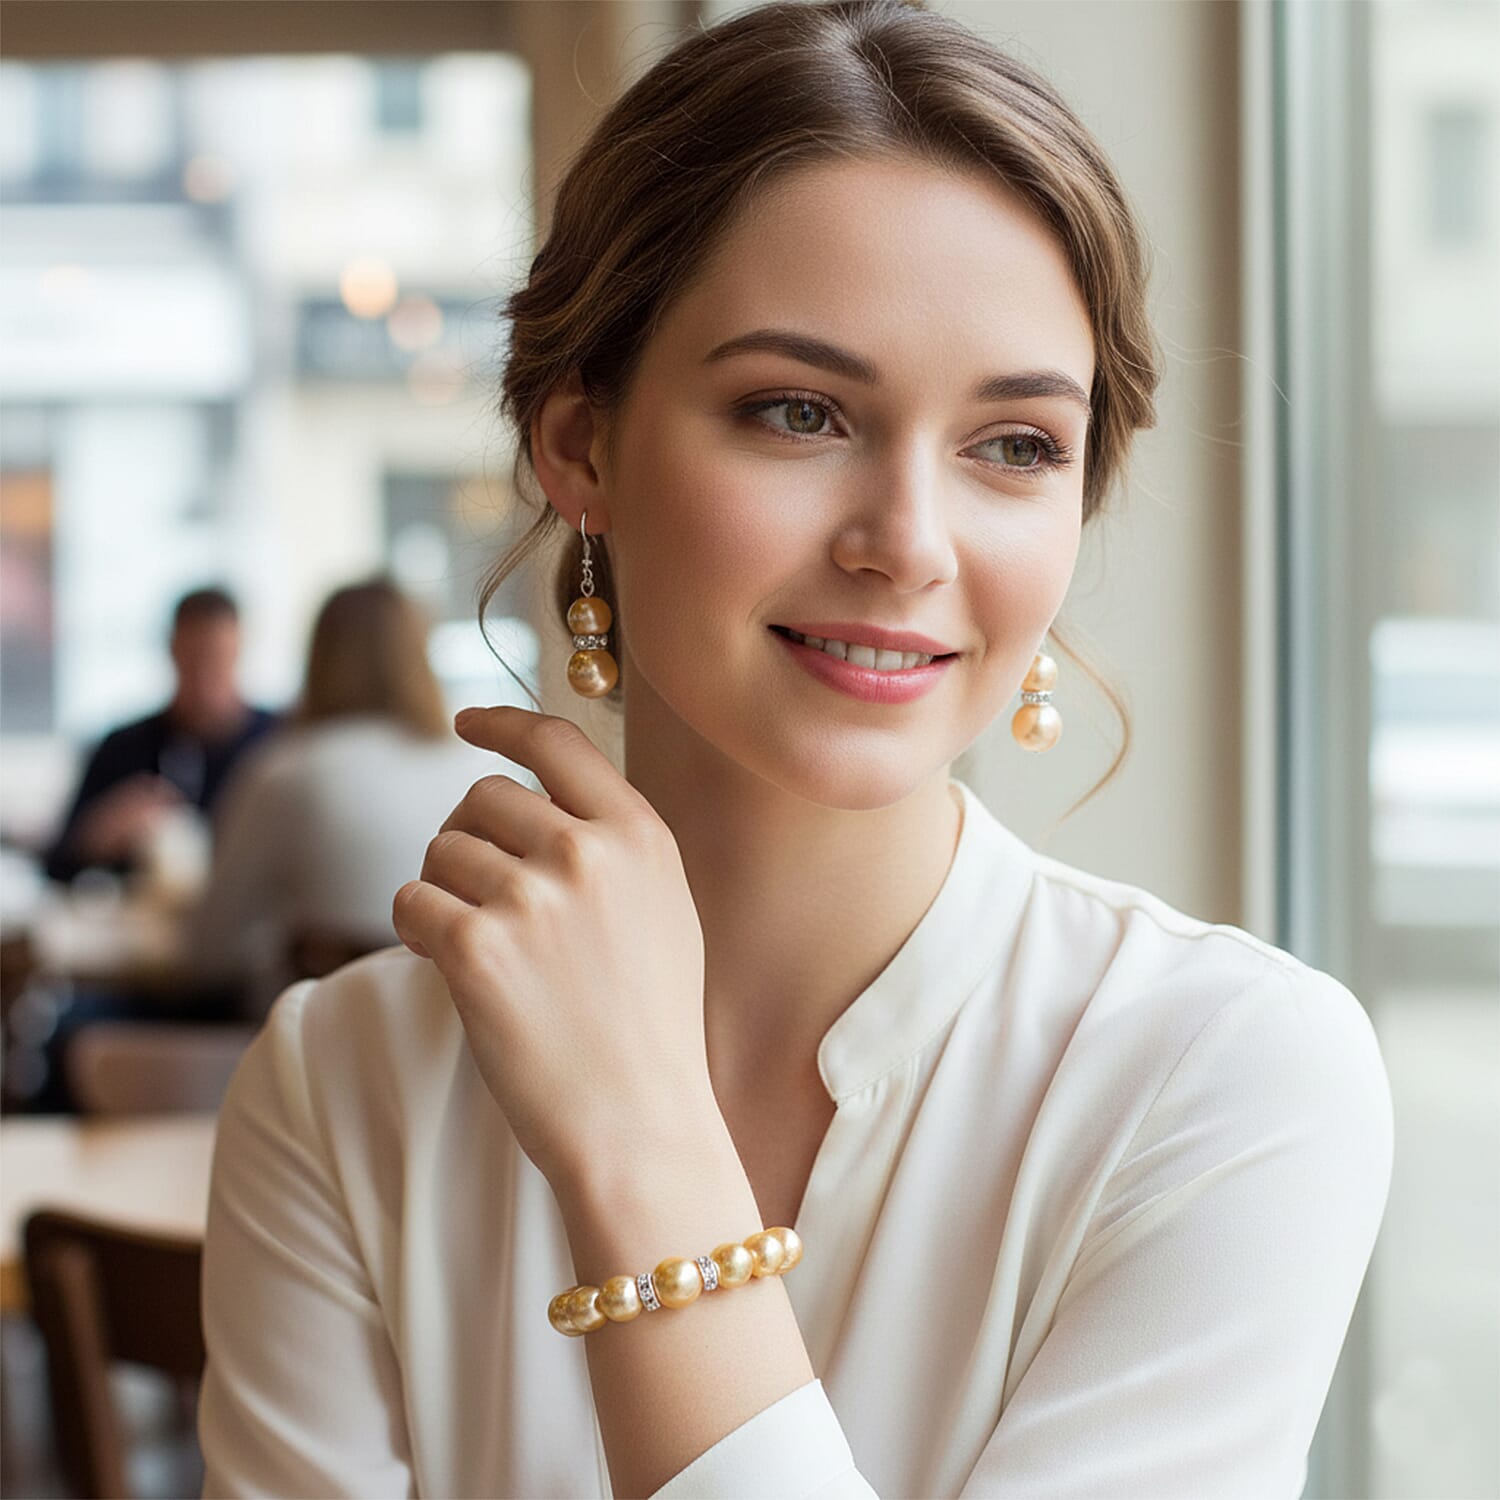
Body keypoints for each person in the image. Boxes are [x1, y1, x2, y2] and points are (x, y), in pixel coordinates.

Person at [197, 4, 1395, 1497]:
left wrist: (638, 1150)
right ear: (580, 448)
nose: (907, 543)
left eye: (1014, 444)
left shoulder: (1227, 1075)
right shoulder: (344, 1082)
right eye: (799, 413)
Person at [184, 578, 500, 1020]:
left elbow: (208, 953)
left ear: (318, 658)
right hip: (462, 1044)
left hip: (321, 1050)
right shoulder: (484, 770)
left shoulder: (285, 772)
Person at [42, 586, 277, 885]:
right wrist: (103, 831)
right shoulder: (123, 748)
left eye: (216, 660)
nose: (204, 680)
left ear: (239, 652)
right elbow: (56, 865)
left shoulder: (276, 744)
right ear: (172, 650)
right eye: (193, 660)